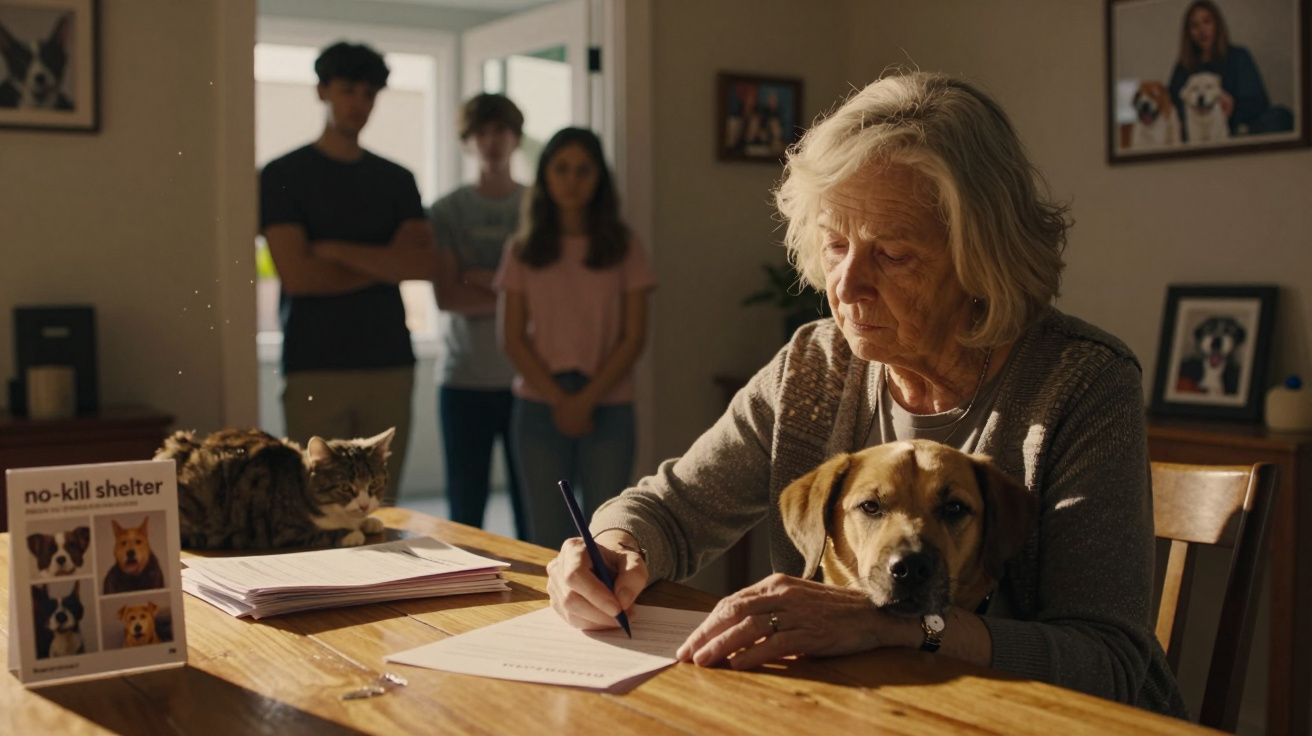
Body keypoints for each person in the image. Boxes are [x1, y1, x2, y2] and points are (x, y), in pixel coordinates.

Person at [545, 72, 1188, 717]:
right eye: (834, 244)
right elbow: (671, 510)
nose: (846, 284)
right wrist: (611, 549)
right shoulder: (814, 364)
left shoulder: (1080, 383)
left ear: (982, 260)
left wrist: (899, 625)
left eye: (894, 254)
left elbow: (1108, 665)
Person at [259, 41, 437, 504]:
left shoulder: (396, 179)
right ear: (323, 91)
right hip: (313, 364)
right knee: (316, 503)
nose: (359, 103)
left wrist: (336, 250)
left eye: (369, 93)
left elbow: (420, 264)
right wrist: (383, 263)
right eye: (348, 90)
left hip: (389, 361)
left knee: (381, 505)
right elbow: (298, 276)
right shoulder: (284, 175)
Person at [495, 127, 656, 550]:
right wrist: (560, 400)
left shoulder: (624, 246)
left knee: (607, 535)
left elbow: (634, 336)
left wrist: (585, 400)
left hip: (609, 402)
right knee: (546, 537)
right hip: (539, 405)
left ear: (599, 178)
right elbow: (511, 338)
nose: (571, 180)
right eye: (561, 168)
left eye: (583, 170)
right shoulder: (523, 248)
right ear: (545, 176)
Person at [429, 93, 529, 538]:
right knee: (464, 506)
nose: (492, 141)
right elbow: (447, 295)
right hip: (462, 377)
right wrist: (514, 291)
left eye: (500, 131)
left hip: (528, 375)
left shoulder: (537, 206)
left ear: (515, 137)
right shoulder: (447, 210)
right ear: (468, 141)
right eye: (481, 132)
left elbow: (549, 294)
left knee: (534, 505)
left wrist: (480, 277)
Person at [1168, 0, 1294, 138]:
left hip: (1236, 128)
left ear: (1217, 24)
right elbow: (1172, 107)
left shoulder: (1238, 56)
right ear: (1189, 32)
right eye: (1194, 25)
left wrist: (1232, 106)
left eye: (1207, 22)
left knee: (1280, 116)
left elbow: (1258, 102)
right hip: (1196, 131)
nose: (1202, 30)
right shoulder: (1183, 67)